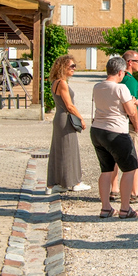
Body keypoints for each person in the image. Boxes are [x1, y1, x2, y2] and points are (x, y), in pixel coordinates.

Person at [91, 56, 138, 219]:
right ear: (121, 72)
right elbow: (130, 111)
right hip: (116, 131)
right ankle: (125, 208)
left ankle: (105, 207)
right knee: (129, 169)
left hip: (98, 130)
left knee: (106, 170)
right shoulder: (120, 89)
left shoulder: (97, 87)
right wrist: (137, 106)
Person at [109, 50, 138, 203]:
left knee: (115, 158)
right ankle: (134, 191)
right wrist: (136, 125)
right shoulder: (130, 81)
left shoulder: (120, 79)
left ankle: (114, 189)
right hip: (131, 123)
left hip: (117, 123)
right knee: (133, 159)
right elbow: (131, 104)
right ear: (129, 62)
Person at [46, 55, 90, 193]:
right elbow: (69, 106)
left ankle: (55, 183)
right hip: (65, 118)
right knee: (69, 150)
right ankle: (75, 182)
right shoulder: (62, 83)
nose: (74, 68)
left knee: (59, 150)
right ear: (63, 67)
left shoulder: (55, 82)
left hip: (60, 118)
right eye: (71, 66)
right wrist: (81, 118)